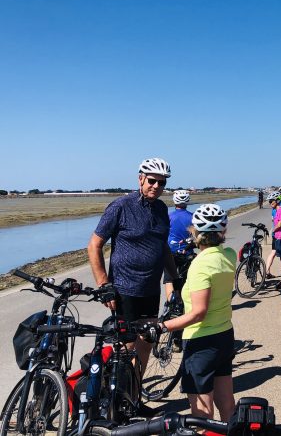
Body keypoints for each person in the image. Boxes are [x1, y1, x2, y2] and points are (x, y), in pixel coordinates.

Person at [86, 157, 179, 395]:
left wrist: (175, 280)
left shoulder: (161, 209)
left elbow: (163, 248)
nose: (156, 186)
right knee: (127, 348)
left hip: (150, 290)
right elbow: (94, 245)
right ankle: (117, 398)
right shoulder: (121, 206)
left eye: (161, 183)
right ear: (140, 179)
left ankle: (134, 396)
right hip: (124, 290)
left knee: (147, 342)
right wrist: (103, 283)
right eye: (151, 181)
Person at [144, 204, 236, 421]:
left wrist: (160, 326)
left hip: (200, 341)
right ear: (223, 232)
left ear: (195, 231)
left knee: (202, 414)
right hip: (225, 335)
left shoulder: (200, 266)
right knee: (227, 403)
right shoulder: (229, 256)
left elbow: (198, 313)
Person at [165, 189, 194, 301]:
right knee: (186, 279)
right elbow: (195, 236)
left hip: (170, 252)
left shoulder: (169, 216)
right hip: (187, 252)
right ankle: (184, 302)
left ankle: (170, 304)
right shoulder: (192, 217)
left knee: (169, 280)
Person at [265, 191, 281, 278]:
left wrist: (273, 230)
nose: (270, 203)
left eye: (272, 201)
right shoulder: (276, 210)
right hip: (278, 237)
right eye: (269, 201)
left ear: (277, 200)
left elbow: (279, 225)